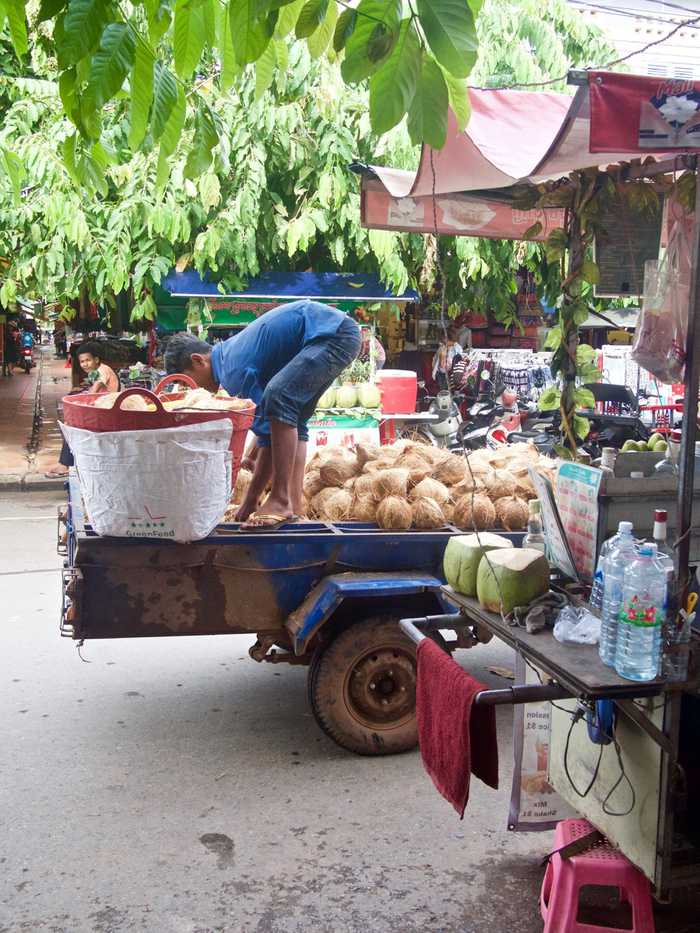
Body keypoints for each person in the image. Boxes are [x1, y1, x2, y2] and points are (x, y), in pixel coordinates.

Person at [164, 300, 361, 529]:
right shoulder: (230, 354)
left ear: (198, 361)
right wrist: (251, 462)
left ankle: (279, 500)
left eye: (190, 381)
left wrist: (249, 500)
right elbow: (275, 428)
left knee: (279, 397)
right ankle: (293, 507)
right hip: (339, 333)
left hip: (332, 335)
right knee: (294, 418)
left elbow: (268, 434)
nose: (195, 389)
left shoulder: (232, 371)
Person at [45, 342, 121, 477]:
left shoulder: (102, 370)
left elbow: (94, 391)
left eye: (88, 360)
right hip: (103, 409)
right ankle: (67, 463)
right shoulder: (98, 370)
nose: (85, 364)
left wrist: (83, 396)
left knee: (72, 427)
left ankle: (64, 465)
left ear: (96, 360)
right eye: (82, 362)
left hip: (107, 412)